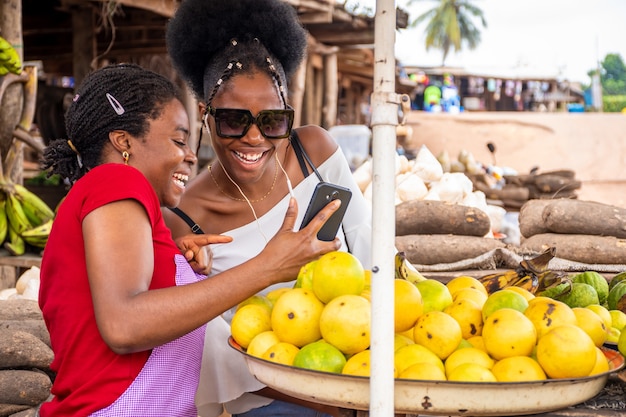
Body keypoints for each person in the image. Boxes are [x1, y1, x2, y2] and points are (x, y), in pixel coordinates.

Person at [37, 63, 343, 417]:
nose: (191, 155)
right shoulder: (117, 180)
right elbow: (124, 325)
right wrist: (267, 268)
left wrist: (173, 266)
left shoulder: (116, 201)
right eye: (179, 140)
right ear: (123, 142)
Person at [163, 0, 373, 416]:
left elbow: (369, 255)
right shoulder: (183, 217)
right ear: (205, 115)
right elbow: (214, 352)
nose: (254, 138)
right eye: (233, 121)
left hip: (357, 368)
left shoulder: (315, 153)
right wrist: (189, 274)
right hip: (266, 399)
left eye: (273, 121)